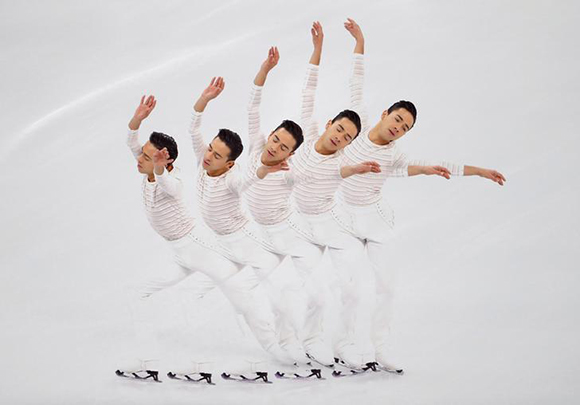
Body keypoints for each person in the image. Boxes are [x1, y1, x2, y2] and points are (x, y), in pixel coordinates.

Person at [335, 18, 506, 371]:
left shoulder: (395, 155)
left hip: (375, 220)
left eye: (405, 127)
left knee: (387, 287)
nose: (398, 127)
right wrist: (360, 40)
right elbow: (356, 81)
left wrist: (481, 171)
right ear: (384, 114)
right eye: (396, 119)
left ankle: (380, 349)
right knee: (350, 288)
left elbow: (434, 164)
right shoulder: (357, 126)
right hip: (341, 220)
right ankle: (342, 346)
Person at [117, 95, 291, 380]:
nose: (140, 159)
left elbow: (169, 184)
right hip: (178, 251)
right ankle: (148, 360)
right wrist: (138, 119)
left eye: (149, 157)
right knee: (140, 291)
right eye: (144, 155)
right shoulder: (148, 166)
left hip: (200, 247)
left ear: (166, 160)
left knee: (236, 299)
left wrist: (159, 168)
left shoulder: (173, 180)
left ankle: (268, 355)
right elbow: (132, 141)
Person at [189, 77, 307, 364]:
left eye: (217, 155)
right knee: (238, 297)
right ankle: (277, 345)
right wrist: (205, 99)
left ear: (229, 163)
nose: (209, 156)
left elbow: (247, 181)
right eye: (210, 150)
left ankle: (291, 344)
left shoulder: (233, 178)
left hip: (246, 240)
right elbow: (193, 128)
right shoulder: (205, 159)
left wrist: (267, 171)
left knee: (274, 292)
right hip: (219, 244)